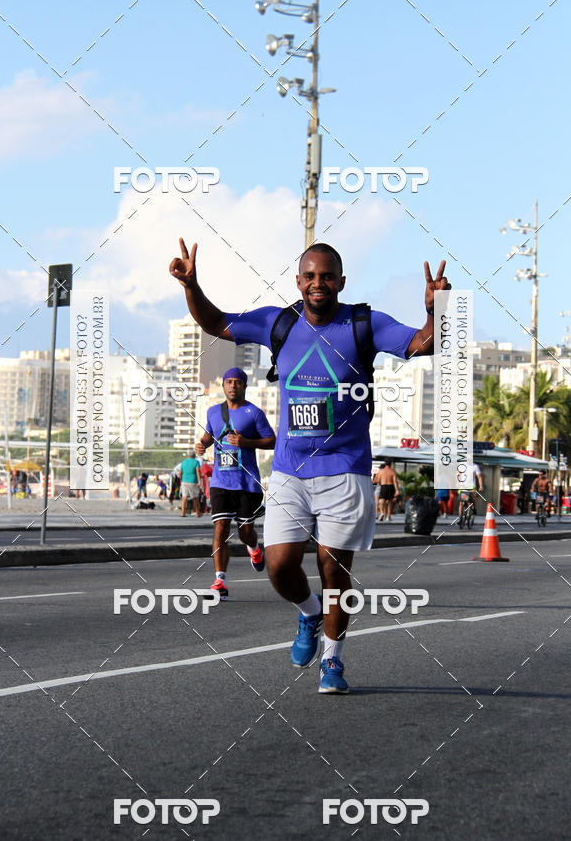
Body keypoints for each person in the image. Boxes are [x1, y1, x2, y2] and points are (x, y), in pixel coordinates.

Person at [170, 238, 448, 693]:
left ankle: (334, 661)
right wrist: (191, 285)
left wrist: (438, 309)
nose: (318, 283)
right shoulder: (277, 323)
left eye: (327, 275)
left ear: (340, 280)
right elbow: (216, 323)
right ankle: (309, 613)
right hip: (289, 469)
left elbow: (422, 344)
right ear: (298, 281)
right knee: (279, 566)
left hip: (345, 467)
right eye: (310, 276)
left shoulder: (364, 323)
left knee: (333, 569)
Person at [195, 367, 276, 598]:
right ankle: (220, 582)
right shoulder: (213, 412)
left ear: (244, 386)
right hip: (221, 482)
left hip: (247, 483)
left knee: (245, 532)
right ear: (223, 386)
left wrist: (246, 442)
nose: (233, 385)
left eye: (237, 382)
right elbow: (209, 435)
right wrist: (202, 444)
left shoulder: (254, 412)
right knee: (220, 528)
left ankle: (254, 547)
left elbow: (272, 441)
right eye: (229, 381)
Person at [179, 452, 202, 517]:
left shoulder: (183, 462)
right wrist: (199, 481)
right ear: (194, 456)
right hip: (193, 481)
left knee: (184, 497)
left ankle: (183, 513)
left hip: (184, 481)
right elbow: (198, 471)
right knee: (195, 497)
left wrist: (181, 479)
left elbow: (180, 472)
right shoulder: (196, 462)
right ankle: (197, 513)